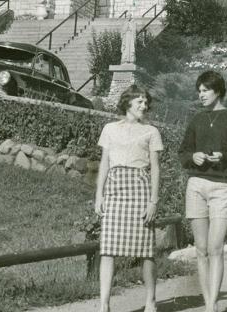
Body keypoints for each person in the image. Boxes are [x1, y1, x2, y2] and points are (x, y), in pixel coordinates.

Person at [179, 69, 227, 312]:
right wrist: (194, 156)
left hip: (222, 186)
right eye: (198, 91)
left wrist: (224, 157)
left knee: (216, 248)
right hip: (196, 186)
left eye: (205, 90)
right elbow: (182, 153)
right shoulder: (197, 120)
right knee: (200, 250)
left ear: (218, 91)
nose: (201, 95)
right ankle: (208, 303)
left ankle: (212, 305)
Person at [95, 84, 162, 312]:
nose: (144, 106)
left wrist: (153, 201)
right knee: (108, 248)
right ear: (128, 103)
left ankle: (150, 300)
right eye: (140, 101)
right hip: (114, 190)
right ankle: (104, 304)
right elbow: (104, 163)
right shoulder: (110, 129)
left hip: (140, 190)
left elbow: (155, 168)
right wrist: (99, 196)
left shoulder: (151, 132)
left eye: (145, 102)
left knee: (146, 250)